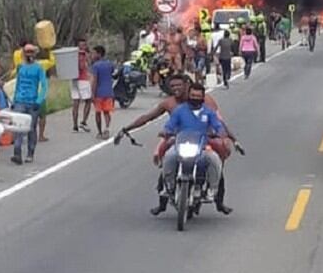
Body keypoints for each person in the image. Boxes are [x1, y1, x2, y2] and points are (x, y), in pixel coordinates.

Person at [115, 74, 243, 215]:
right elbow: (149, 118)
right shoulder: (173, 105)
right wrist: (126, 129)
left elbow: (219, 123)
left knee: (214, 162)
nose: (176, 89)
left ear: (188, 85)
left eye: (179, 85)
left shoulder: (206, 103)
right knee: (167, 160)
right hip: (179, 139)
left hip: (204, 140)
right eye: (173, 86)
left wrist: (231, 139)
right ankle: (163, 199)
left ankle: (218, 201)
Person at [159, 83, 226, 212]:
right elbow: (170, 125)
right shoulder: (180, 110)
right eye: (192, 95)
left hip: (202, 147)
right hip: (181, 145)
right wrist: (166, 131)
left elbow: (218, 126)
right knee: (169, 156)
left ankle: (212, 189)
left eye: (198, 96)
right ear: (189, 95)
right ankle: (168, 186)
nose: (195, 98)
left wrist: (219, 133)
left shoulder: (208, 112)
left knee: (214, 159)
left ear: (202, 97)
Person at [11, 44, 48, 165]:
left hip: (33, 102)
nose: (29, 54)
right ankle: (17, 153)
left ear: (34, 53)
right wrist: (14, 99)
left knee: (31, 128)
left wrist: (39, 100)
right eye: (27, 52)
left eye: (31, 52)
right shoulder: (20, 67)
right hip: (20, 101)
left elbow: (44, 86)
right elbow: (18, 83)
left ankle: (30, 153)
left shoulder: (39, 68)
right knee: (18, 127)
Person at [90, 45, 115, 139]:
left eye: (94, 53)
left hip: (99, 93)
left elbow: (94, 81)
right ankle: (107, 129)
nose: (92, 55)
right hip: (108, 92)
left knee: (98, 112)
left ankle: (100, 132)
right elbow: (112, 74)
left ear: (99, 54)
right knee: (106, 112)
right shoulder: (110, 64)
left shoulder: (95, 66)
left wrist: (92, 93)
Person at [71, 38, 92, 133]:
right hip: (83, 79)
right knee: (88, 100)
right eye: (82, 45)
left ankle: (75, 125)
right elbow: (82, 66)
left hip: (74, 80)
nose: (83, 47)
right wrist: (86, 57)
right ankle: (83, 122)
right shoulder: (82, 55)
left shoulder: (72, 54)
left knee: (76, 102)